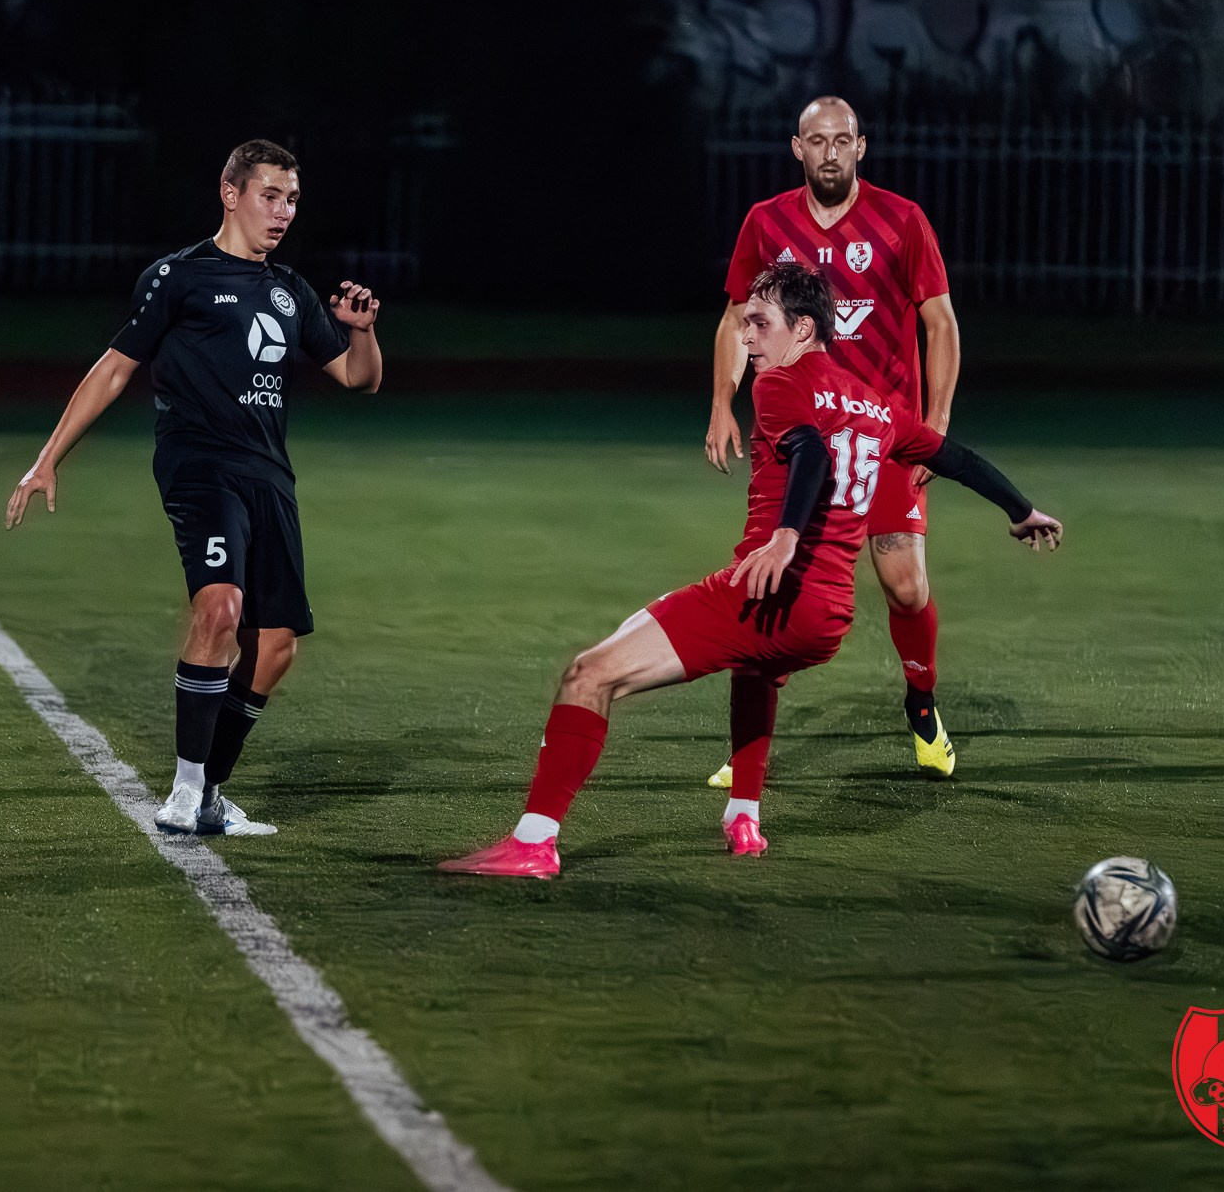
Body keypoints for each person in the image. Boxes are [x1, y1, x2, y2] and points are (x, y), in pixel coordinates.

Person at [441, 262, 1057, 878]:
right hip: (826, 617)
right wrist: (1021, 509)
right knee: (753, 666)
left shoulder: (778, 386)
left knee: (587, 675)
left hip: (773, 595)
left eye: (760, 324)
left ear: (804, 328)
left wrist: (786, 537)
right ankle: (744, 817)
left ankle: (533, 844)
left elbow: (811, 450)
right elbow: (958, 458)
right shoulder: (876, 405)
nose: (746, 337)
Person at [5, 139, 382, 836]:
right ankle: (184, 794)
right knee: (218, 610)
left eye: (293, 199)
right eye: (271, 195)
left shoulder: (291, 291)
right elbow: (115, 367)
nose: (283, 211)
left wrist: (362, 333)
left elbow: (358, 378)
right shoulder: (177, 276)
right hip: (198, 463)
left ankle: (209, 791)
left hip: (269, 475)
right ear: (230, 192)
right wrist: (48, 457)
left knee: (275, 648)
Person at [704, 96, 963, 789]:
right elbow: (737, 319)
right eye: (816, 140)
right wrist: (722, 403)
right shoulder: (766, 222)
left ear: (861, 146)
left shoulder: (902, 220)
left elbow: (941, 323)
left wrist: (934, 425)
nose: (829, 151)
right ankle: (747, 747)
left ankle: (922, 704)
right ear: (797, 148)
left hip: (881, 436)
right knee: (772, 582)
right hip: (798, 438)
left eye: (841, 140)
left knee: (905, 587)